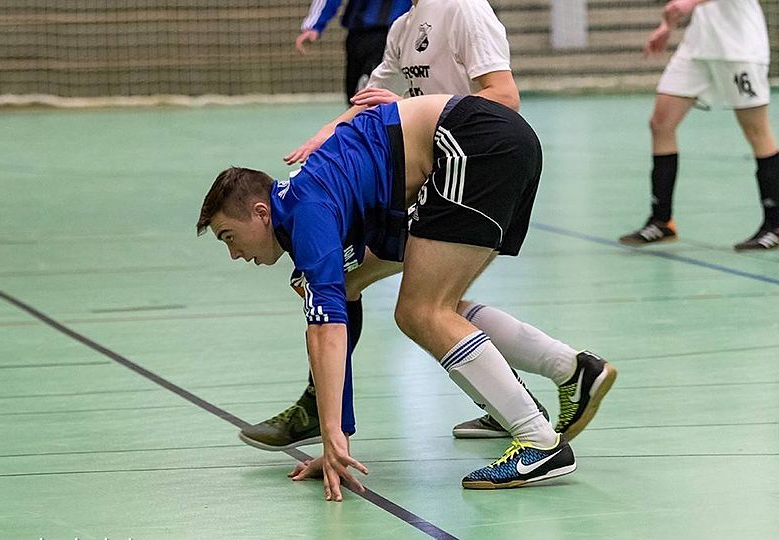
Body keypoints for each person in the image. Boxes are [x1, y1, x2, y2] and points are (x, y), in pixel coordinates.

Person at [239, 0, 615, 452]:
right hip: (435, 177)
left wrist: (408, 108)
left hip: (468, 163)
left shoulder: (463, 10)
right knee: (410, 299)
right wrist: (327, 133)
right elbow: (369, 102)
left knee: (421, 309)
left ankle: (543, 404)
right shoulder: (403, 26)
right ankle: (554, 377)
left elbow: (505, 98)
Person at [197, 94, 616, 496]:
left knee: (422, 311)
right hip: (492, 144)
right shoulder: (309, 198)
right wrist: (338, 438)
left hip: (470, 146)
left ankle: (539, 441)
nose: (235, 254)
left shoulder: (308, 214)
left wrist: (331, 436)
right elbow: (342, 303)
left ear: (261, 213)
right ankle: (571, 368)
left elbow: (326, 333)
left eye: (229, 237)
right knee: (432, 305)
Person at [620, 0, 779, 250]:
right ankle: (662, 220)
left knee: (756, 131)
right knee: (661, 124)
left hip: (739, 48)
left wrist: (689, 3)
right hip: (699, 46)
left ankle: (775, 225)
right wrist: (667, 25)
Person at [296, 0, 412, 101]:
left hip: (395, 32)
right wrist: (315, 25)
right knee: (356, 95)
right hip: (359, 33)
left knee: (375, 92)